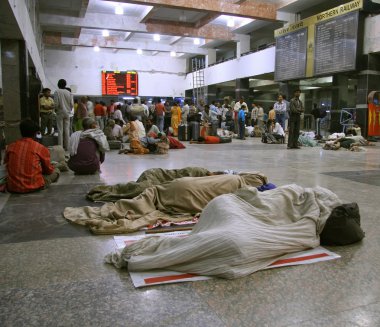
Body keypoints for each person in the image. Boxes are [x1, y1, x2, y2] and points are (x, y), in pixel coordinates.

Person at [63, 172, 268, 234]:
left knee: (151, 194)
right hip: (187, 198)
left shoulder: (231, 177)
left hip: (181, 184)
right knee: (155, 206)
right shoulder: (240, 193)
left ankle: (121, 205)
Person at [4, 119, 60, 193]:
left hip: (13, 187)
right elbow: (48, 170)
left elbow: (6, 164)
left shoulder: (11, 147)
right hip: (34, 186)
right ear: (35, 133)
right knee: (56, 170)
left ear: (21, 132)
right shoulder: (40, 147)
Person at [54, 79, 73, 150]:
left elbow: (56, 104)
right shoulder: (69, 93)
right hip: (68, 113)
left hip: (60, 112)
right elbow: (71, 104)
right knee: (67, 130)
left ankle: (60, 147)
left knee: (60, 130)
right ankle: (67, 147)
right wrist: (69, 110)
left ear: (58, 84)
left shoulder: (57, 92)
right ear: (65, 85)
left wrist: (55, 109)